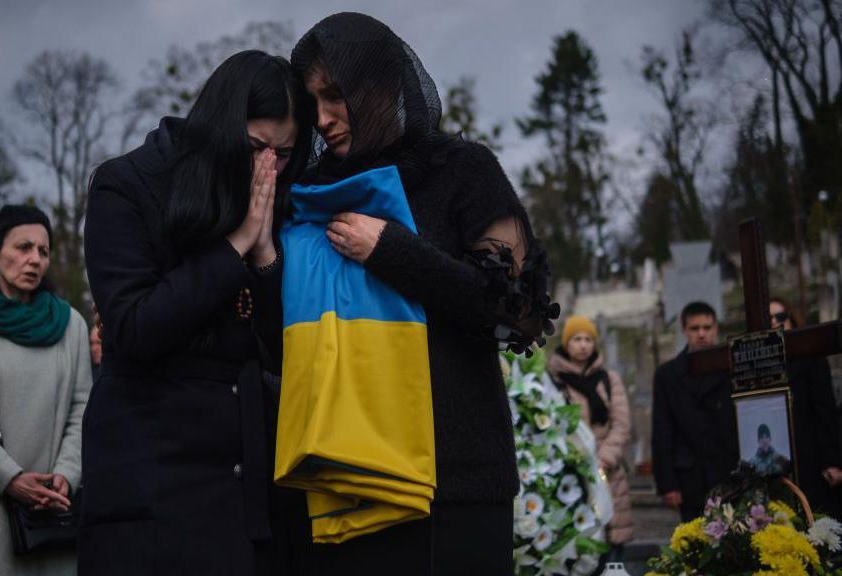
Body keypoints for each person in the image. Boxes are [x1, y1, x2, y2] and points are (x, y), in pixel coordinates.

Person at [285, 12, 549, 574]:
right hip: (351, 481)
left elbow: (520, 309)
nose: (323, 119)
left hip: (459, 484)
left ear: (381, 86)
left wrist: (392, 251)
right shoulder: (309, 194)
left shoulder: (461, 170)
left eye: (335, 95)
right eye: (313, 102)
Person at [80, 50, 311, 575]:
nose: (268, 168)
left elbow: (286, 354)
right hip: (151, 486)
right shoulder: (127, 185)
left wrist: (265, 256)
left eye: (283, 153)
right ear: (223, 126)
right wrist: (235, 246)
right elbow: (134, 328)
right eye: (254, 146)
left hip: (243, 494)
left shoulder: (278, 204)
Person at [0, 205, 92, 576]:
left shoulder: (71, 325)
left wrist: (66, 475)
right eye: (23, 247)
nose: (35, 259)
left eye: (43, 251)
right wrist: (11, 479)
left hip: (54, 510)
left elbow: (82, 409)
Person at [546, 316, 634, 558]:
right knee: (578, 547)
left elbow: (621, 424)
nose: (583, 345)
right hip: (572, 472)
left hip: (609, 472)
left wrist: (604, 459)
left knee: (611, 544)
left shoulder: (608, 380)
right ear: (566, 343)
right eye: (576, 339)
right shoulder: (554, 381)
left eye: (588, 339)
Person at [652, 301, 738, 521]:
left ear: (715, 328)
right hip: (690, 478)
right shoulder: (667, 375)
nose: (701, 334)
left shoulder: (732, 368)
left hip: (729, 472)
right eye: (694, 328)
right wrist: (668, 484)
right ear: (684, 330)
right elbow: (662, 430)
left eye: (707, 328)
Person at [769, 297, 842, 515]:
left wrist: (832, 461)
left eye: (780, 316)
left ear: (791, 319)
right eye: (768, 318)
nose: (774, 322)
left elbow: (825, 411)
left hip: (810, 453)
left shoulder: (811, 358)